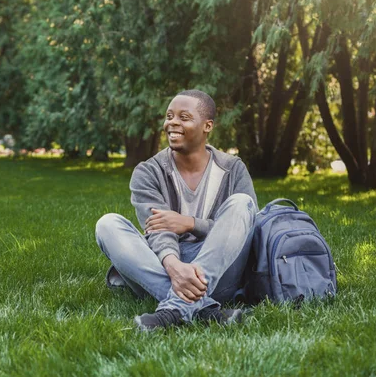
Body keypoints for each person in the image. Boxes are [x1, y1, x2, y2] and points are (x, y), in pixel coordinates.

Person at [95, 90, 258, 330]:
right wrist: (174, 266)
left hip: (219, 272)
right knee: (107, 224)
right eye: (169, 116)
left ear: (207, 126)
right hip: (163, 266)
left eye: (184, 117)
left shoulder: (233, 169)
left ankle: (173, 310)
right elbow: (158, 230)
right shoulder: (148, 172)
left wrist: (191, 223)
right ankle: (203, 309)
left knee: (243, 204)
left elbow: (246, 227)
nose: (172, 122)